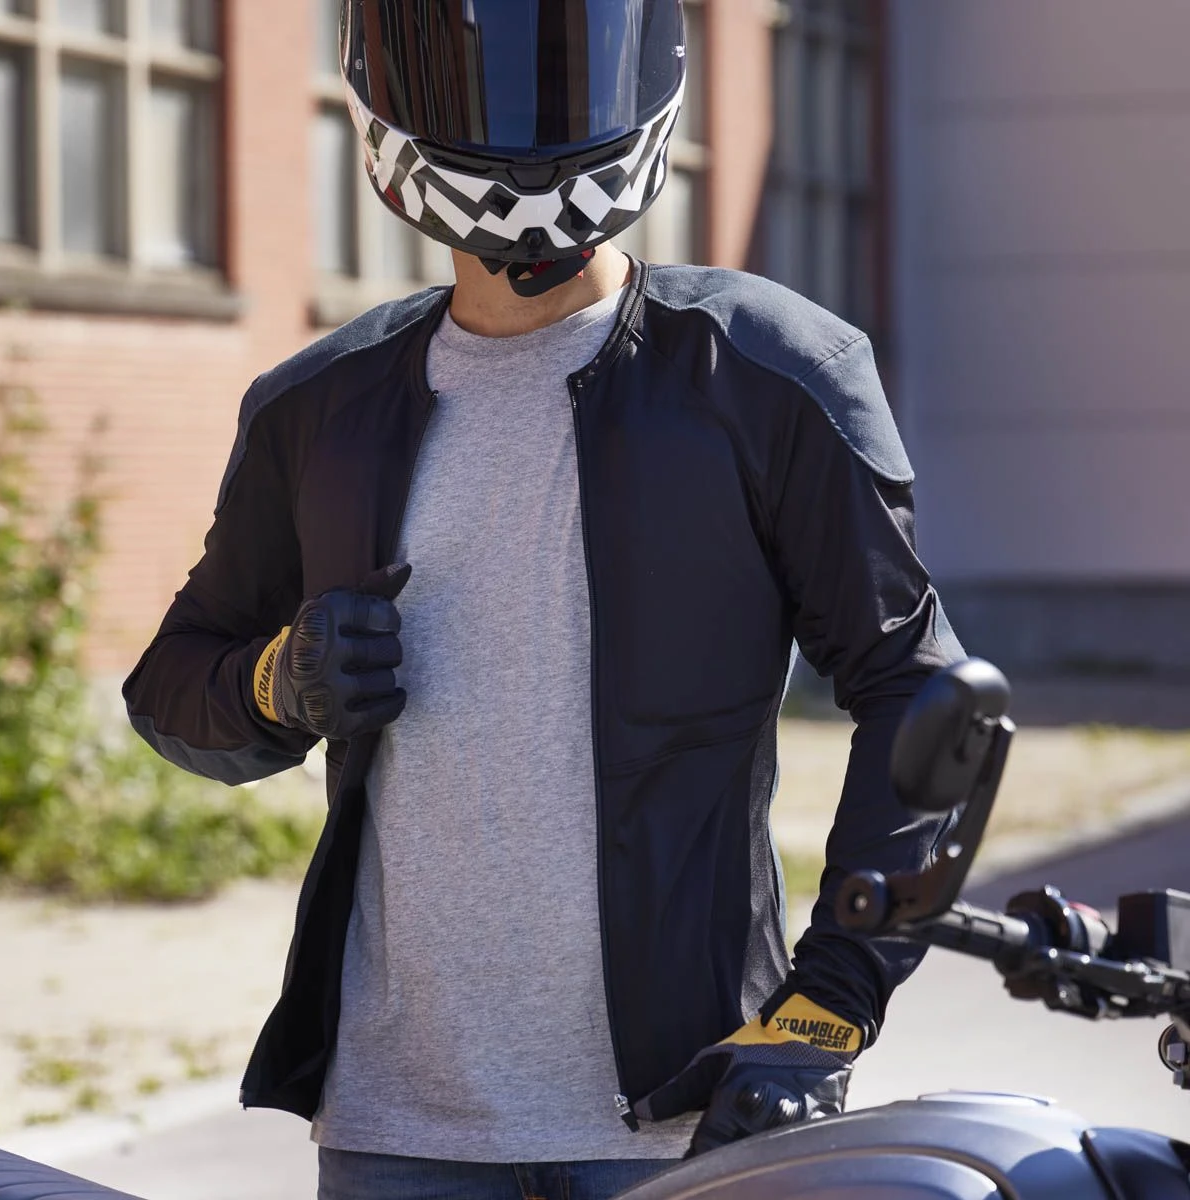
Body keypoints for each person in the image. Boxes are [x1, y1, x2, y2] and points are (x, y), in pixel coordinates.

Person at [122, 1, 963, 1197]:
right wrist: (276, 681)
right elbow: (168, 687)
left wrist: (830, 1007)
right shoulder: (317, 410)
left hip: (684, 1121)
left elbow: (924, 699)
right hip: (398, 1132)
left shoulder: (772, 375)